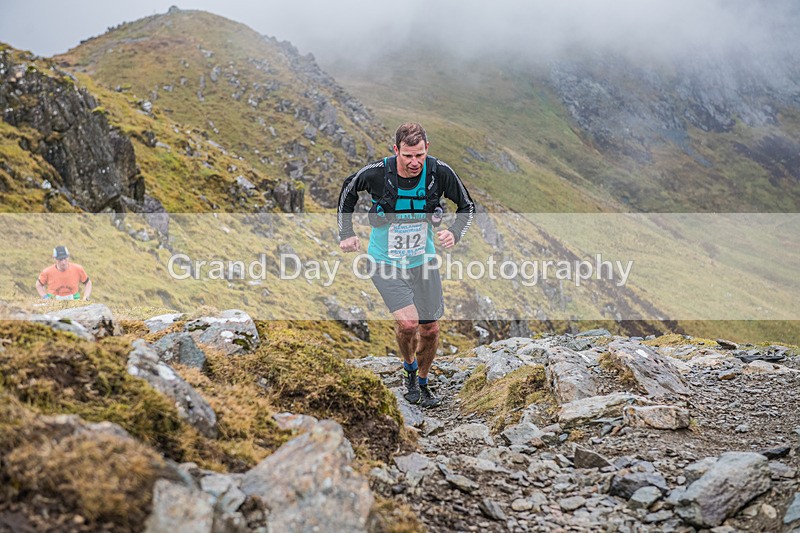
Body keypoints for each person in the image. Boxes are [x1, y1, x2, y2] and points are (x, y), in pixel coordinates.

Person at [337, 123, 475, 408]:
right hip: (384, 261)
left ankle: (422, 381)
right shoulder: (378, 172)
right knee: (409, 323)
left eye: (420, 155)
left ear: (427, 149)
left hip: (422, 260)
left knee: (430, 329)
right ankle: (409, 368)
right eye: (408, 155)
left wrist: (455, 232)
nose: (415, 162)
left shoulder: (439, 172)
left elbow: (468, 206)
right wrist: (346, 233)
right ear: (396, 150)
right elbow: (348, 190)